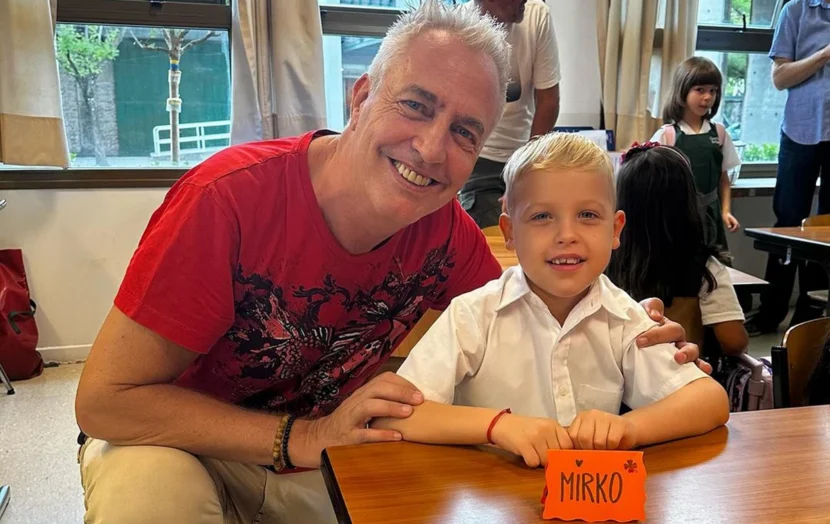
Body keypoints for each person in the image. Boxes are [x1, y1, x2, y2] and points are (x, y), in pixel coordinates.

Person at [74, 3, 705, 523]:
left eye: (464, 132)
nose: (430, 147)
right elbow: (106, 402)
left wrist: (634, 325)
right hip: (185, 444)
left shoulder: (447, 235)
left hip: (336, 457)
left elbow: (532, 315)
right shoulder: (228, 200)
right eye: (416, 105)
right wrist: (303, 437)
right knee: (149, 501)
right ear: (361, 96)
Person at [374, 134, 729, 467]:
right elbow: (394, 414)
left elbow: (709, 400)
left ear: (615, 229)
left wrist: (628, 428)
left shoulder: (625, 317)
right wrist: (497, 426)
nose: (567, 235)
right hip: (490, 494)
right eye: (542, 216)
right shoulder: (474, 315)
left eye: (588, 215)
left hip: (586, 498)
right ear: (510, 232)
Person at [607, 143, 749, 359]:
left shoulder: (605, 263)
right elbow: (734, 341)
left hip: (617, 373)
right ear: (689, 204)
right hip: (682, 372)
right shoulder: (704, 269)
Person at [745, 0, 830, 337]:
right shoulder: (796, 10)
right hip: (800, 130)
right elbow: (780, 78)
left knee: (827, 227)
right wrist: (824, 54)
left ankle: (812, 316)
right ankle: (771, 311)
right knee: (788, 224)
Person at [458, 0, 562, 229]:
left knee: (542, 227)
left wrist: (527, 168)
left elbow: (548, 101)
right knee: (497, 232)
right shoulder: (460, 26)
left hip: (527, 153)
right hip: (478, 158)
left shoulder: (537, 15)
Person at [651, 57, 741, 255]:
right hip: (677, 216)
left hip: (711, 214)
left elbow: (723, 178)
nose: (707, 97)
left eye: (713, 91)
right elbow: (654, 183)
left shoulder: (719, 133)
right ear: (682, 91)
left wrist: (725, 211)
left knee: (714, 267)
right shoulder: (667, 135)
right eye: (700, 90)